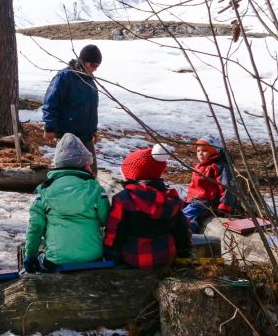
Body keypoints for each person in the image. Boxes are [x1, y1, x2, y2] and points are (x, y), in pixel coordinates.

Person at [23, 134, 110, 273]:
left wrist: (30, 255)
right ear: (86, 164)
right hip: (93, 259)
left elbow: (35, 228)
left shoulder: (45, 190)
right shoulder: (95, 189)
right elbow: (107, 220)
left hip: (58, 261)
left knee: (42, 258)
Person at [104, 144, 191, 269]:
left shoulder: (123, 199)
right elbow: (182, 230)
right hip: (166, 260)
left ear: (132, 175)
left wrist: (112, 258)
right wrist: (184, 255)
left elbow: (113, 233)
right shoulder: (171, 199)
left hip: (133, 260)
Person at [42, 44, 103, 172]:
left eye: (97, 67)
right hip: (67, 135)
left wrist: (93, 130)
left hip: (86, 136)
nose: (95, 70)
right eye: (93, 66)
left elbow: (91, 108)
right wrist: (49, 127)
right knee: (69, 172)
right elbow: (51, 102)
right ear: (84, 62)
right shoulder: (64, 77)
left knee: (91, 173)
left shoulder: (89, 80)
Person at [182, 136, 236, 233]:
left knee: (184, 217)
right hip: (194, 200)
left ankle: (188, 236)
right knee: (176, 210)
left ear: (213, 152)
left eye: (204, 150)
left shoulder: (218, 166)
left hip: (207, 202)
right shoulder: (199, 166)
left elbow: (227, 187)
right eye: (198, 151)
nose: (200, 153)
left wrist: (225, 206)